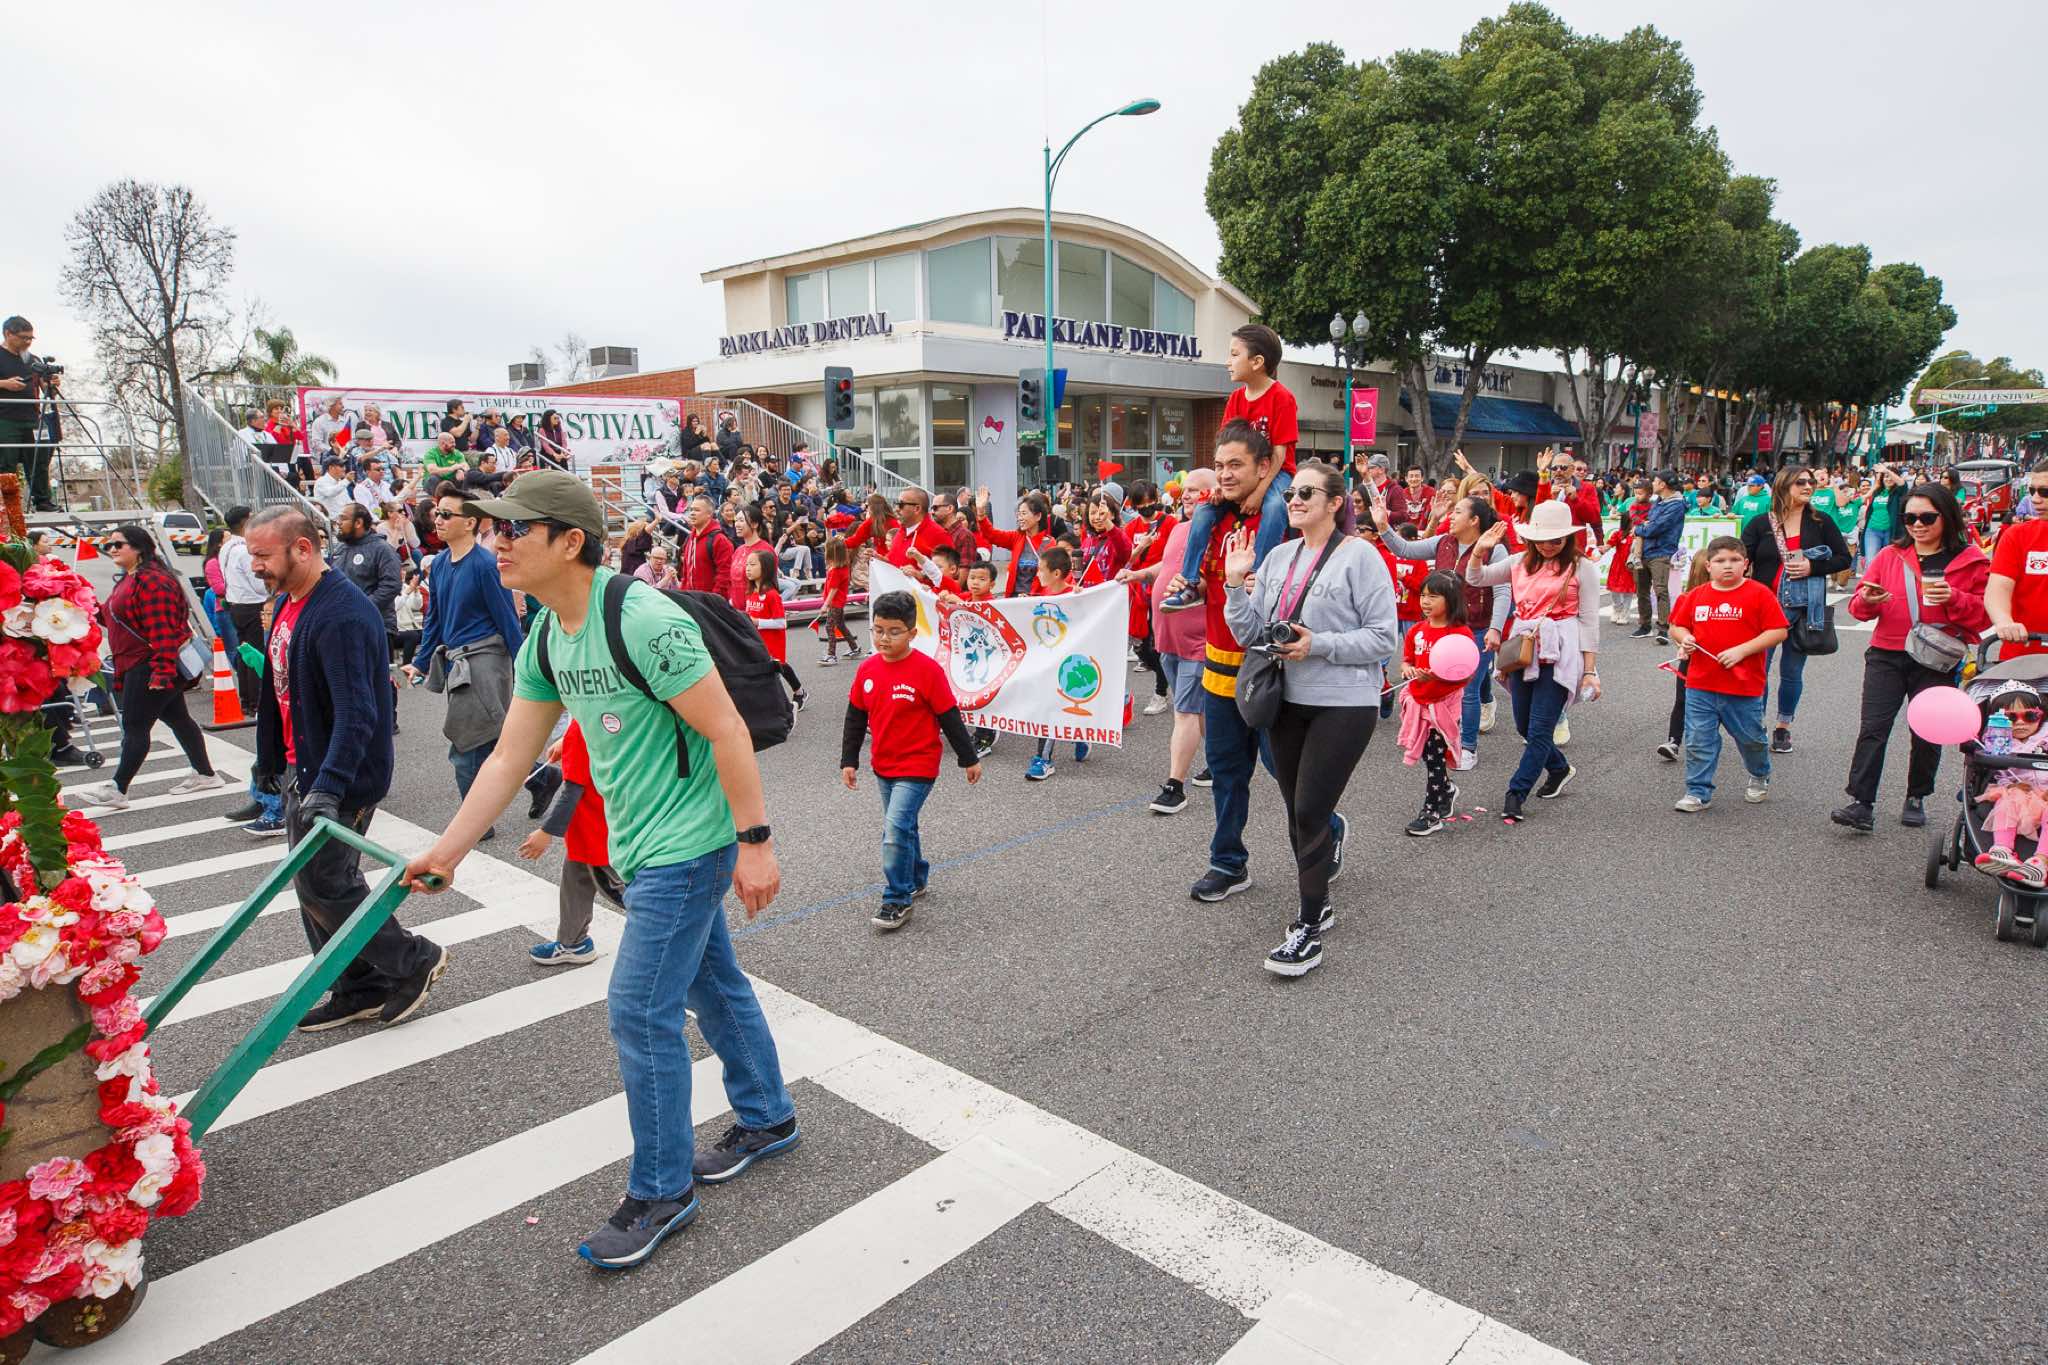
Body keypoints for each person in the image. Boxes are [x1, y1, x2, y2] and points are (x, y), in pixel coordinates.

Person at [401, 470, 797, 1270]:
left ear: (570, 541)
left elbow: (726, 728)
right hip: (638, 843)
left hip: (690, 843)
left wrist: (755, 841)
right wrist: (447, 849)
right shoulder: (549, 634)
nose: (499, 541)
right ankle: (768, 1115)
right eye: (495, 527)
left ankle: (661, 1190)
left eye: (516, 529)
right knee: (711, 982)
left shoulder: (643, 619)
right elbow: (510, 755)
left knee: (639, 1008)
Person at [244, 505, 448, 1030]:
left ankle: (413, 959)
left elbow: (358, 711)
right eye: (251, 555)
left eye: (263, 555)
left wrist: (330, 786)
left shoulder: (342, 613)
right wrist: (270, 760)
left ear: (302, 548)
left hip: (340, 774)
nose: (255, 565)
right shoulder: (289, 602)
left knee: (327, 884)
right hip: (304, 766)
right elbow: (278, 690)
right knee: (312, 885)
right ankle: (359, 985)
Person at [1221, 459, 1397, 976]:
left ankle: (1309, 927)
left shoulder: (1361, 556)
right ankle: (1318, 899)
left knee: (1310, 811)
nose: (1294, 501)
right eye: (1291, 493)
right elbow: (1250, 634)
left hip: (1345, 703)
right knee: (1296, 809)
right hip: (1286, 699)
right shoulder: (1278, 557)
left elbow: (1383, 639)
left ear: (1335, 503)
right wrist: (1233, 586)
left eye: (1306, 493)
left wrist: (1317, 644)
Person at [1165, 421, 1345, 903]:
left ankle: (1326, 829)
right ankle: (1227, 862)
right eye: (1219, 465)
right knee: (1227, 773)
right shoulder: (1210, 520)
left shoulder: (1287, 521)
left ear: (1265, 468)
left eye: (1235, 465)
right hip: (1218, 670)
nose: (1224, 474)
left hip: (1274, 672)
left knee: (1287, 774)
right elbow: (1204, 585)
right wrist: (1188, 586)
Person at [1833, 483, 1991, 833]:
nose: (1917, 525)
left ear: (1947, 517)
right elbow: (1858, 608)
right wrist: (1868, 600)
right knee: (1873, 727)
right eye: (1909, 518)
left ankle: (1917, 795)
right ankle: (1861, 802)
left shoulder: (1972, 560)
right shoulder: (1890, 555)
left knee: (1926, 730)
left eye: (1927, 517)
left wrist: (1954, 598)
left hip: (1938, 656)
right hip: (1886, 652)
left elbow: (1983, 616)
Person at [838, 590, 984, 930]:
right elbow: (855, 717)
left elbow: (949, 716)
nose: (884, 638)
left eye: (894, 631)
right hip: (883, 765)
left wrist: (969, 758)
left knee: (894, 829)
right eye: (878, 630)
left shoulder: (927, 671)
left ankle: (897, 899)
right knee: (905, 827)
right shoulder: (867, 670)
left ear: (912, 633)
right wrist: (849, 760)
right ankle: (916, 878)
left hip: (919, 766)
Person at [1465, 500, 1603, 824]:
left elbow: (1590, 621)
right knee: (1523, 725)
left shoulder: (1582, 567)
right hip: (1524, 647)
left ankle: (1516, 792)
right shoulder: (1518, 561)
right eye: (1542, 539)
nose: (1548, 546)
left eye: (1556, 540)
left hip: (1562, 649)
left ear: (1568, 538)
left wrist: (1590, 670)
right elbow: (1476, 578)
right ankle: (1559, 767)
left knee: (1540, 729)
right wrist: (1479, 550)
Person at [75, 528, 225, 810]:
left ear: (139, 548)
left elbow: (163, 631)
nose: (112, 548)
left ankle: (118, 788)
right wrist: (77, 600)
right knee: (178, 719)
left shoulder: (153, 581)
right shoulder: (132, 578)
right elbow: (112, 618)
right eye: (109, 544)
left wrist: (162, 672)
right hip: (143, 663)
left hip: (149, 664)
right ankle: (205, 773)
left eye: (118, 544)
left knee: (135, 726)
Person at [405, 488, 526, 836]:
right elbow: (434, 618)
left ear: (470, 522)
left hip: (484, 660)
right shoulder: (440, 564)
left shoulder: (486, 565)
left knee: (466, 745)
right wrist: (421, 661)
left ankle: (475, 824)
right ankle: (542, 778)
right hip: (458, 661)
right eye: (437, 513)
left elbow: (507, 620)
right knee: (489, 737)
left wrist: (525, 669)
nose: (438, 520)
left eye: (447, 514)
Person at [1164, 325, 1297, 611]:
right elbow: (1224, 447)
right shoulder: (1236, 398)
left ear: (1257, 361)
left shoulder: (1282, 397)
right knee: (1204, 510)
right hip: (1241, 476)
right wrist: (1218, 485)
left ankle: (1258, 577)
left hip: (1276, 474)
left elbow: (1280, 452)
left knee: (1275, 507)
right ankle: (1190, 582)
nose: (1228, 361)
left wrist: (1259, 492)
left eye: (1235, 354)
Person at [1375, 496, 1511, 771]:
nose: (1451, 517)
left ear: (1474, 520)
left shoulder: (1493, 549)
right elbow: (1404, 548)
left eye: (1457, 512)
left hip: (1476, 628)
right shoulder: (1442, 542)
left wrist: (1495, 628)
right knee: (1452, 682)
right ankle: (1473, 710)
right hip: (1442, 629)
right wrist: (1382, 526)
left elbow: (1502, 590)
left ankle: (1468, 746)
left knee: (1468, 689)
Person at [1668, 536, 1788, 812]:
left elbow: (1778, 631)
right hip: (1700, 684)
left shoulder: (1759, 594)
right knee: (1699, 740)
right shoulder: (1696, 596)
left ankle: (1759, 773)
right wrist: (1685, 638)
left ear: (1746, 564)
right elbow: (1677, 626)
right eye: (1720, 560)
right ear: (1708, 565)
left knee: (1751, 739)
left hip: (1743, 687)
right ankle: (1697, 791)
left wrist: (1742, 651)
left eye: (1734, 560)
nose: (1728, 565)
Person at [1741, 465, 1850, 754]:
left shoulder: (1821, 522)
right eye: (1800, 482)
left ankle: (1783, 727)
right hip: (1764, 608)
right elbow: (1741, 558)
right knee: (1759, 670)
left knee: (1791, 672)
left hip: (1803, 608)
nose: (1808, 486)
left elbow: (1843, 558)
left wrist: (1813, 566)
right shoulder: (1760, 523)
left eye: (1810, 481)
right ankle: (1757, 725)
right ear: (1783, 485)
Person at [519, 720, 623, 966]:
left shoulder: (579, 730)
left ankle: (681, 929)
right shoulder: (592, 718)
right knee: (575, 884)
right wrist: (567, 740)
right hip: (593, 825)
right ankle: (572, 942)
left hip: (593, 830)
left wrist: (546, 832)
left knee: (629, 894)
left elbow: (573, 790)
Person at [1397, 572, 1475, 837]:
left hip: (1444, 705)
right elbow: (1407, 660)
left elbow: (1466, 673)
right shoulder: (1417, 631)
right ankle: (1447, 789)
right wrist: (1408, 670)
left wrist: (1438, 676)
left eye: (1433, 596)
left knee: (1435, 758)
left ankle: (1431, 813)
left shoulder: (1460, 633)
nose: (1425, 602)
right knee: (1429, 756)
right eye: (1423, 595)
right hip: (1419, 702)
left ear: (1451, 599)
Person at [1983, 465, 2048, 656]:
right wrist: (2004, 621)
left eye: (2045, 492)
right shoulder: (2017, 536)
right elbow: (1997, 589)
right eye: (2032, 491)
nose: (2035, 499)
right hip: (2023, 658)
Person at [0, 317, 58, 511]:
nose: (28, 342)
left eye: (30, 338)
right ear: (8, 334)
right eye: (23, 338)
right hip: (5, 419)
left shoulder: (33, 360)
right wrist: (4, 384)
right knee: (6, 463)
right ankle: (8, 506)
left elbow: (45, 388)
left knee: (39, 460)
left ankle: (43, 501)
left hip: (32, 418)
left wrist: (51, 384)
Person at [742, 548, 806, 707]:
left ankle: (796, 695)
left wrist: (757, 622)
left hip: (773, 641)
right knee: (769, 670)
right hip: (757, 641)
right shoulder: (750, 592)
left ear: (765, 568)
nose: (748, 568)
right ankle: (786, 699)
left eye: (752, 565)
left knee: (777, 669)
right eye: (747, 564)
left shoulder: (772, 595)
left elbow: (782, 623)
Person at [219, 504, 268, 711]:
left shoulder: (226, 547)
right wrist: (272, 590)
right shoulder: (244, 550)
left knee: (244, 651)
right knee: (256, 653)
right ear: (246, 521)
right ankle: (257, 700)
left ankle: (247, 699)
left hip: (236, 605)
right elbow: (257, 583)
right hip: (252, 605)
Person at [1633, 470, 1687, 643]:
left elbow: (1656, 527)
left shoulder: (1676, 505)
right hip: (1645, 550)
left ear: (1663, 484)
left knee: (1661, 590)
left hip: (1662, 551)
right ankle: (1644, 625)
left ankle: (1663, 629)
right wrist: (1645, 527)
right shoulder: (1659, 501)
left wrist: (1639, 529)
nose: (1653, 484)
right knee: (1641, 590)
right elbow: (1649, 523)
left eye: (1655, 481)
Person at [974, 489, 1057, 596]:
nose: (1020, 518)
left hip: (1037, 600)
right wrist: (981, 512)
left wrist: (1032, 596)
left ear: (1038, 516)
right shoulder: (1017, 537)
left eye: (1024, 514)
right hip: (1014, 599)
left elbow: (1053, 578)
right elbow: (991, 535)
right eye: (1018, 514)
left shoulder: (1050, 544)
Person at [816, 534, 860, 664]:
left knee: (829, 627)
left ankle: (831, 655)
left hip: (835, 603)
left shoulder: (836, 571)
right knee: (840, 625)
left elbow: (833, 590)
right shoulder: (842, 567)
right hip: (838, 603)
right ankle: (854, 647)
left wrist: (825, 605)